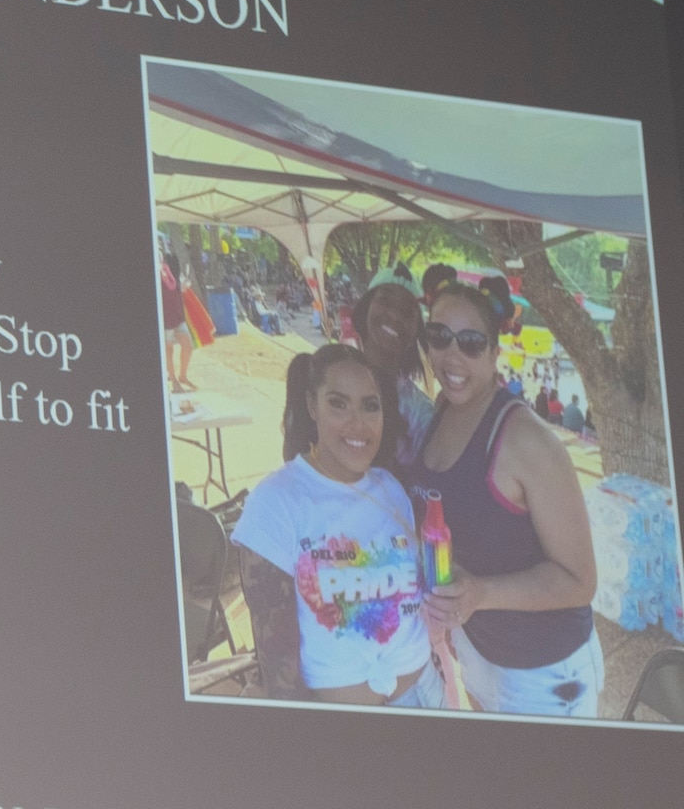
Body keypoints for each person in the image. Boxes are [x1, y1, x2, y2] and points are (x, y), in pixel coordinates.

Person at [403, 284, 601, 717]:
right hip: (480, 652)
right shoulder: (442, 408)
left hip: (544, 674)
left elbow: (581, 581)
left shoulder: (527, 442)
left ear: (494, 353)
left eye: (471, 343)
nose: (452, 357)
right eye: (439, 337)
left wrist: (481, 593)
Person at [232, 344, 436, 708]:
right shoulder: (275, 503)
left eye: (370, 406)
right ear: (313, 406)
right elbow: (277, 656)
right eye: (338, 404)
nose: (358, 424)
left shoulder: (391, 488)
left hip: (426, 693)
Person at [350, 282, 434, 461]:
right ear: (366, 307)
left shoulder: (422, 414)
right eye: (385, 301)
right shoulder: (329, 380)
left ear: (416, 333)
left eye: (407, 312)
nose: (395, 316)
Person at [161, 251, 194, 391]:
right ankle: (174, 381)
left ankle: (182, 376)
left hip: (178, 318)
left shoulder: (172, 275)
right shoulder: (158, 275)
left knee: (188, 346)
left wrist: (185, 284)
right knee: (168, 351)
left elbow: (182, 287)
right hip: (165, 320)